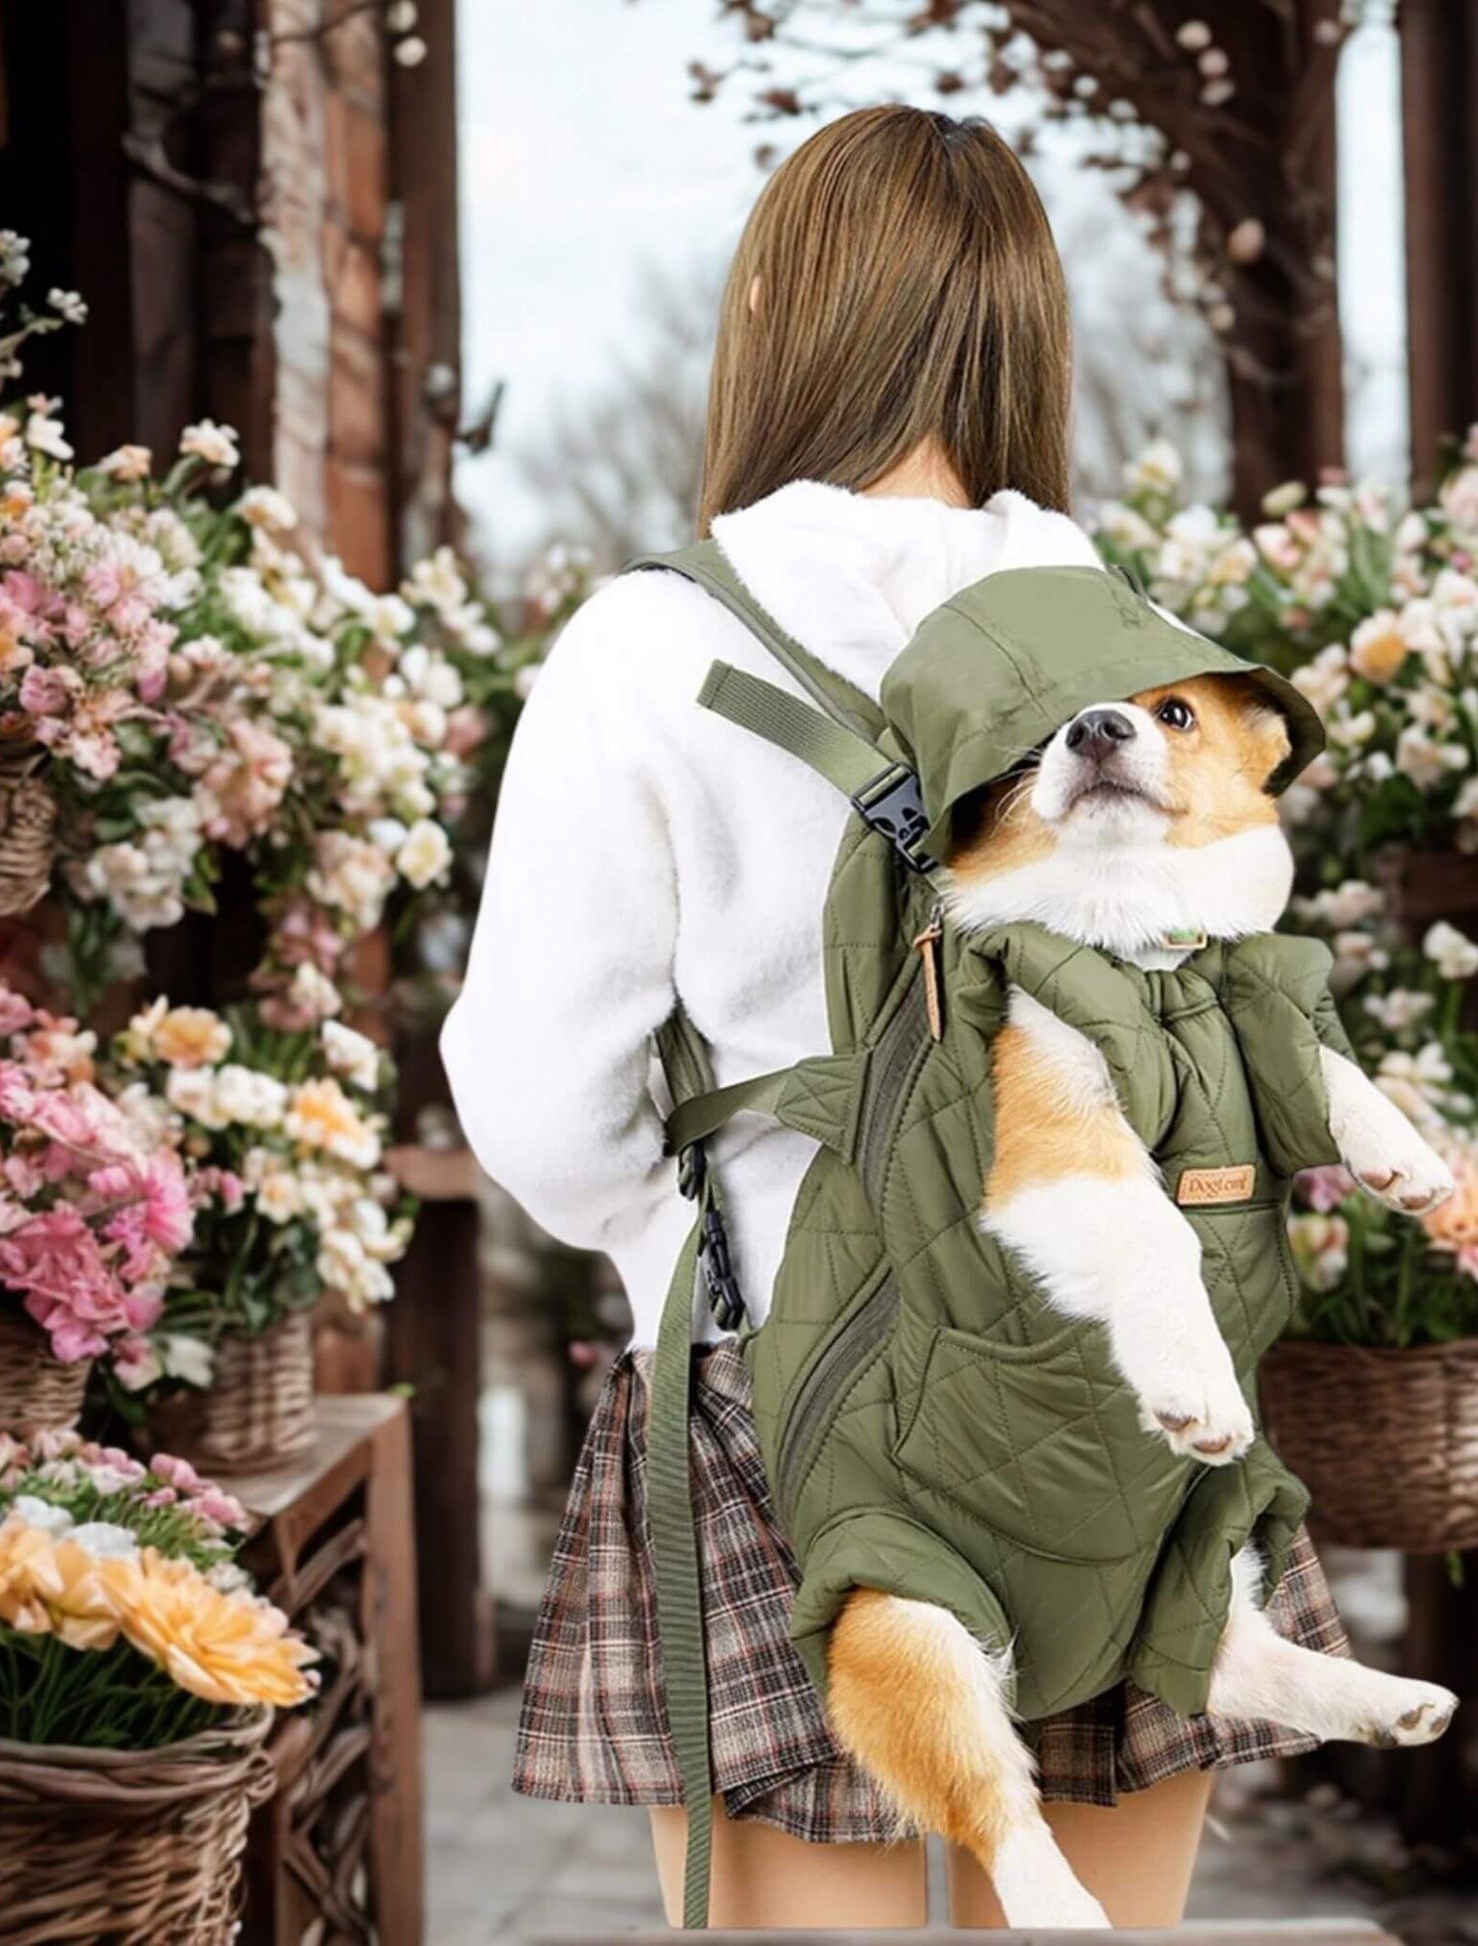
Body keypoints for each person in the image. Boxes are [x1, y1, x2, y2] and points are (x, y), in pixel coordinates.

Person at [441, 102, 1348, 1930]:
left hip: (776, 1368)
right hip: (1109, 1375)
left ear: (776, 320)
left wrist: (691, 1233)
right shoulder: (1139, 653)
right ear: (1027, 333)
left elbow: (540, 1099)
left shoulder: (645, 647)